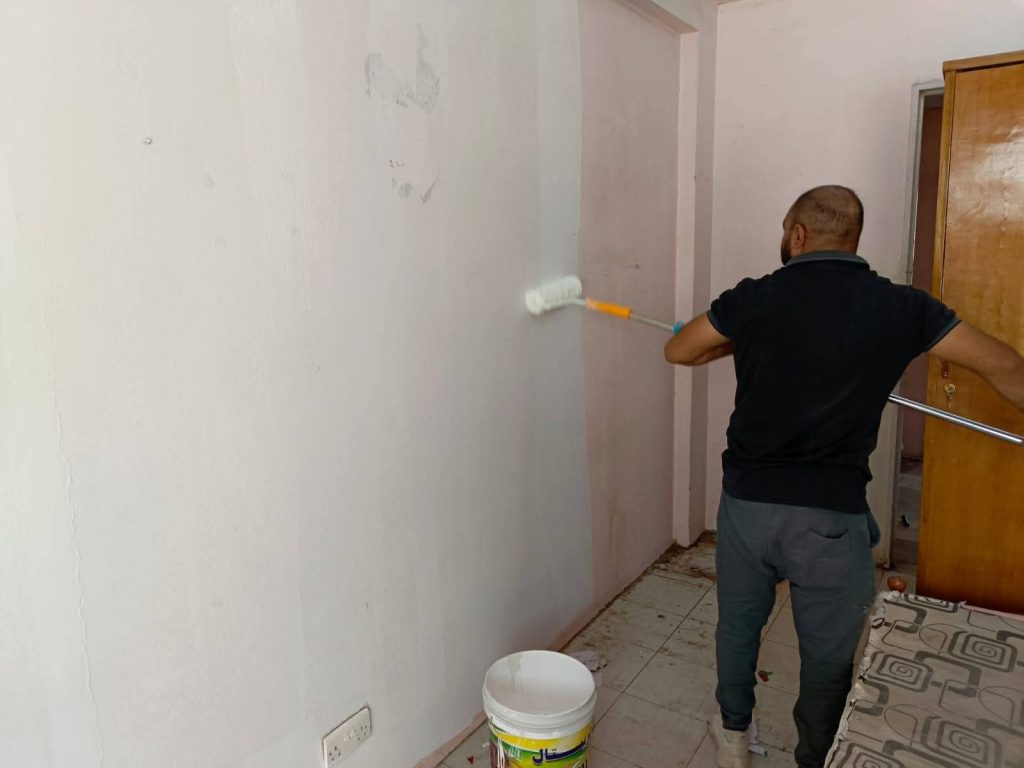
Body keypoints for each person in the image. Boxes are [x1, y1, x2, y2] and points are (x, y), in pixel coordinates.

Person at [664, 185, 1024, 768]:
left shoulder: (755, 298)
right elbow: (1004, 364)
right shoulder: (903, 308)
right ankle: (817, 756)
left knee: (739, 627)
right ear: (853, 237)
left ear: (797, 233)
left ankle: (732, 736)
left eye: (785, 230)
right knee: (827, 656)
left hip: (749, 506)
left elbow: (679, 350)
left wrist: (734, 342)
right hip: (831, 518)